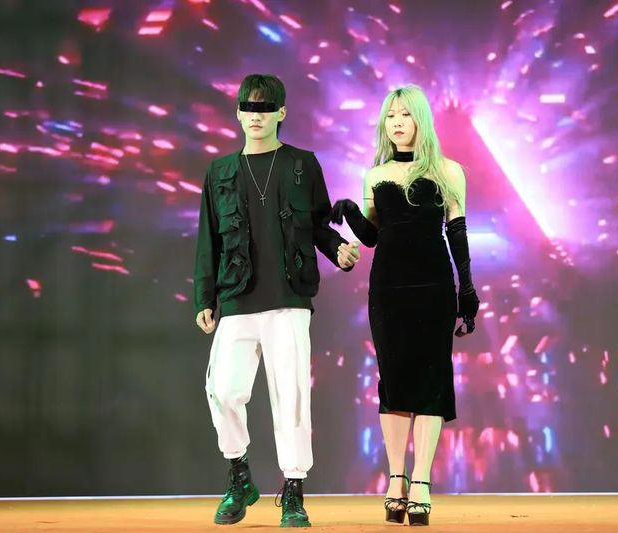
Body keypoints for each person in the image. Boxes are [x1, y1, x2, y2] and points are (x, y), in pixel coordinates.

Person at [193, 73, 361, 528]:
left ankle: (293, 492)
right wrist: (204, 297)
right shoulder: (220, 171)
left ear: (281, 113)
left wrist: (338, 250)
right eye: (248, 107)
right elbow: (209, 238)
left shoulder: (302, 164)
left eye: (265, 108)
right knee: (223, 390)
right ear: (238, 112)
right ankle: (239, 475)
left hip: (289, 298)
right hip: (236, 297)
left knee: (291, 397)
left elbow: (319, 224)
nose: (256, 115)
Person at [331, 85, 479, 526]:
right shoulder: (375, 175)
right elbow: (372, 236)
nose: (396, 123)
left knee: (432, 381)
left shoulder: (450, 171)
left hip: (434, 288)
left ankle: (421, 483)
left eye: (405, 115)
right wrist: (350, 211)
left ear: (421, 120)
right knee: (393, 381)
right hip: (388, 290)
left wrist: (467, 289)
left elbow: (457, 233)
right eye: (390, 116)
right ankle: (395, 479)